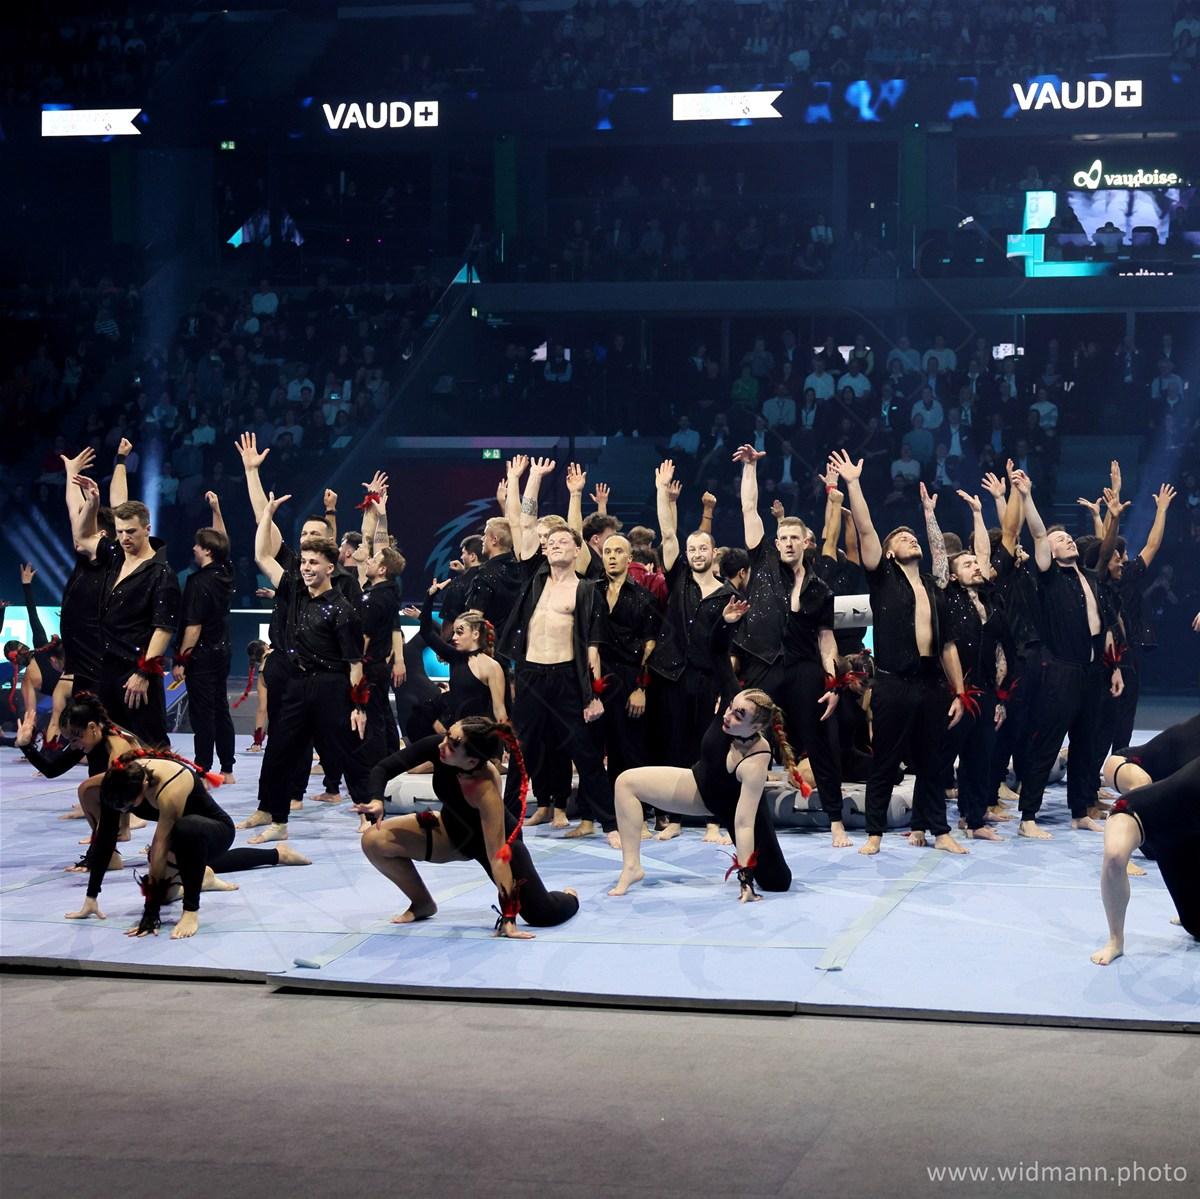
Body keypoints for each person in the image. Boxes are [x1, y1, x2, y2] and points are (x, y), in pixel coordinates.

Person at [828, 449, 970, 856]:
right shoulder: (882, 577)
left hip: (931, 682)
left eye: (913, 537)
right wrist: (854, 484)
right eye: (902, 538)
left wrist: (960, 692)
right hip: (892, 683)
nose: (911, 539)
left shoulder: (933, 587)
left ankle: (938, 829)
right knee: (885, 760)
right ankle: (874, 832)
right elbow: (867, 530)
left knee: (934, 762)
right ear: (889, 552)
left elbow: (947, 645)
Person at [609, 598, 798, 900]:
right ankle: (632, 867)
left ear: (755, 728)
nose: (728, 716)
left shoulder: (757, 758)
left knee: (776, 881)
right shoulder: (732, 701)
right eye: (731, 708)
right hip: (698, 785)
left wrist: (746, 881)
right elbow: (717, 652)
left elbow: (743, 822)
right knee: (625, 782)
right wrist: (725, 623)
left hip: (733, 807)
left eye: (739, 716)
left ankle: (761, 875)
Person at [354, 718, 579, 936]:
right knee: (374, 841)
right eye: (447, 736)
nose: (442, 745)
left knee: (542, 914)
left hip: (498, 844)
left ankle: (571, 896)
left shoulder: (485, 786)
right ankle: (422, 903)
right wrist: (377, 800)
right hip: (451, 832)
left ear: (471, 762)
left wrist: (509, 917)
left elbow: (497, 856)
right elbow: (383, 768)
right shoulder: (439, 746)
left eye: (452, 745)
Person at [237, 493, 373, 843]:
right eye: (305, 562)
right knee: (281, 749)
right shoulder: (294, 589)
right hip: (297, 684)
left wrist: (358, 706)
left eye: (315, 562)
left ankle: (368, 813)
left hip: (332, 687)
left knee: (346, 751)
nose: (307, 567)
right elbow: (262, 556)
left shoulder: (343, 609)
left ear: (330, 568)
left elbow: (354, 663)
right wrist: (267, 515)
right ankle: (277, 820)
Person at [496, 457, 617, 844]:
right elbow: (525, 522)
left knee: (584, 752)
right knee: (522, 751)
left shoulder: (585, 589)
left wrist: (592, 695)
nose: (553, 545)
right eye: (550, 542)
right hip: (531, 674)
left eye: (563, 541)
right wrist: (531, 478)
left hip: (567, 677)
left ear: (578, 548)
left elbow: (593, 648)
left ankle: (611, 824)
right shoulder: (534, 579)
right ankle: (507, 822)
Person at [733, 445, 848, 847]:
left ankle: (835, 819)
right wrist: (750, 468)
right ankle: (735, 819)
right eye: (781, 537)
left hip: (803, 667)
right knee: (742, 737)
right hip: (762, 664)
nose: (785, 543)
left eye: (793, 538)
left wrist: (833, 683)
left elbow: (826, 639)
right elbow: (750, 509)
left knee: (820, 742)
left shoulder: (819, 587)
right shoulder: (762, 560)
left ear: (806, 542)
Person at [68, 750, 309, 940]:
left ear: (143, 787)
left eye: (129, 807)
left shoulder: (169, 789)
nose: (125, 812)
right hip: (183, 841)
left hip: (215, 832)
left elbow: (161, 845)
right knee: (165, 894)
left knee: (185, 830)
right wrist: (91, 896)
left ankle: (192, 908)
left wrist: (152, 913)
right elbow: (105, 838)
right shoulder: (116, 782)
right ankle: (271, 857)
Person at [1012, 471, 1124, 838]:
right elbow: (1038, 534)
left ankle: (1079, 811)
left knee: (1085, 744)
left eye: (1068, 537)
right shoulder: (1048, 577)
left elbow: (1106, 550)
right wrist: (1026, 495)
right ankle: (1028, 817)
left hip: (1092, 671)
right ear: (1051, 553)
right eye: (1060, 540)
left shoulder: (1089, 576)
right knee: (1047, 744)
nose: (1067, 540)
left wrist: (1113, 514)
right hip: (1061, 671)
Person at [645, 460, 733, 843]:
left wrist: (726, 691)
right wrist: (662, 491)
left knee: (709, 747)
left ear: (714, 553)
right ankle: (675, 818)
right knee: (674, 746)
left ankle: (713, 820)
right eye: (692, 548)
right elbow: (667, 533)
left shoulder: (729, 595)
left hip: (708, 680)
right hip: (672, 675)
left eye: (703, 548)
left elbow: (730, 651)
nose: (696, 553)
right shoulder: (678, 577)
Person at [70, 482, 180, 748]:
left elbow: (163, 628)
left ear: (147, 529)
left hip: (136, 671)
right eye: (119, 532)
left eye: (131, 531)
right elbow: (82, 537)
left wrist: (143, 673)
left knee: (149, 744)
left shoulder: (162, 574)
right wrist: (93, 503)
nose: (124, 538)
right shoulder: (115, 555)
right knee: (108, 744)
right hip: (105, 667)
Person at [1090, 753, 1200, 965]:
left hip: (1186, 836)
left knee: (1195, 926)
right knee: (1114, 857)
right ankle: (1115, 941)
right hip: (1136, 812)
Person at [172, 494, 236, 782]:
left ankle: (202, 768)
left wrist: (181, 659)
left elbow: (193, 626)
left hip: (202, 655)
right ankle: (227, 769)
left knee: (202, 713)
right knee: (220, 708)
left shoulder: (198, 582)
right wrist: (217, 510)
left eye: (198, 545)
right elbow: (223, 541)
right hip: (222, 651)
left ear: (207, 551)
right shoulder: (225, 572)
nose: (194, 548)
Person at [406, 584, 507, 723]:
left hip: (476, 730)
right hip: (453, 726)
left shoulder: (492, 666)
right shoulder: (454, 656)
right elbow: (426, 632)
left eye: (459, 632)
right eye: (454, 632)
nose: (453, 637)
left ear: (475, 634)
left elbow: (499, 710)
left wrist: (504, 735)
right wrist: (430, 596)